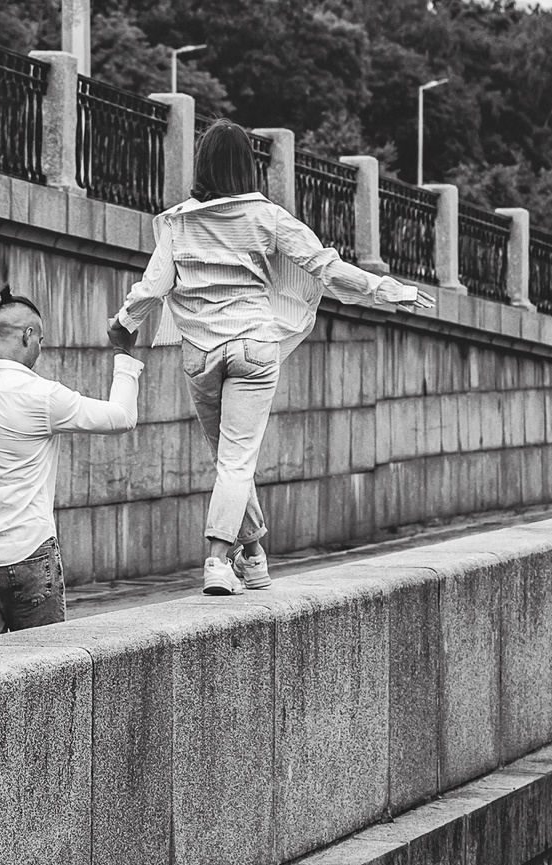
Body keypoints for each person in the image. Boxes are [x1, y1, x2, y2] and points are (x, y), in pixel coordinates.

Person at [110, 122, 433, 595]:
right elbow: (326, 267)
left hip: (199, 351)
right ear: (248, 165)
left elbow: (153, 286)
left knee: (229, 459)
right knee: (236, 460)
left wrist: (124, 323)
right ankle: (242, 558)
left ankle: (234, 559)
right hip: (254, 348)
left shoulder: (179, 222)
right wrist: (390, 290)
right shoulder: (267, 216)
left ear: (201, 164)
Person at [0, 288, 143, 641]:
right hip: (30, 555)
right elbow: (122, 417)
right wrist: (123, 353)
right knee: (47, 673)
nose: (39, 349)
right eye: (40, 340)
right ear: (27, 335)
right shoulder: (44, 396)